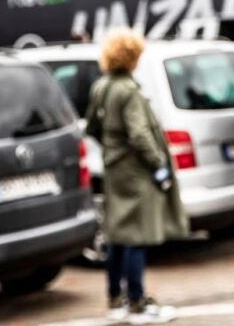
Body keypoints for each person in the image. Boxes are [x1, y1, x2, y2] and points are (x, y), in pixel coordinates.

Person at [85, 30, 185, 324]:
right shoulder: (128, 91)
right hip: (135, 172)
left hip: (114, 170)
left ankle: (116, 301)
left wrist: (112, 149)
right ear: (130, 57)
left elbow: (91, 128)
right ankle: (138, 303)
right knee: (136, 237)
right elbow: (139, 133)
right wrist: (158, 164)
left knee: (116, 235)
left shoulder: (101, 87)